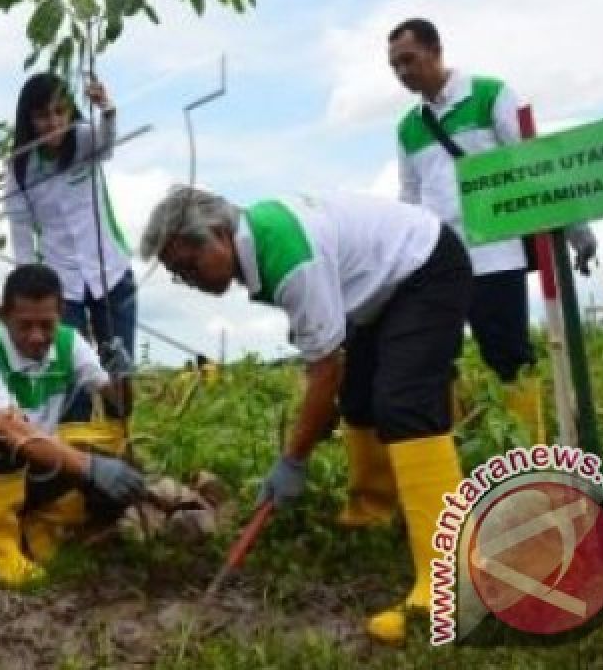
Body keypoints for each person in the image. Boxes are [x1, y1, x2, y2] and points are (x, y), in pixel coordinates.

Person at [141, 185, 472, 644]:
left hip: (425, 267)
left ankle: (447, 584)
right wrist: (310, 427)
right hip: (379, 293)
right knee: (359, 399)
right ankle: (370, 514)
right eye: (178, 275)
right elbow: (330, 371)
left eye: (188, 266)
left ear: (217, 234)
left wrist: (293, 459)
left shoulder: (287, 257)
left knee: (405, 403)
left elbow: (325, 369)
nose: (188, 281)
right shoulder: (262, 243)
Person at [388, 17, 597, 444]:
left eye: (409, 60)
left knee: (509, 358)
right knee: (435, 360)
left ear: (435, 50)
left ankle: (532, 455)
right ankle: (458, 451)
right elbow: (409, 199)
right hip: (437, 262)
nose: (403, 73)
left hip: (494, 253)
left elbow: (532, 163)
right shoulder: (408, 128)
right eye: (395, 66)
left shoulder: (489, 95)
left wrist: (576, 228)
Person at [0, 263, 142, 586]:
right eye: (25, 326)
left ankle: (48, 527)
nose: (37, 337)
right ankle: (1, 552)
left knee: (124, 469)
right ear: (2, 315)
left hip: (36, 470)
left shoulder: (70, 343)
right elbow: (16, 433)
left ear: (61, 314)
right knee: (3, 440)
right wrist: (89, 467)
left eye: (47, 325)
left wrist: (121, 379)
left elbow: (120, 408)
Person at [4, 72, 134, 455]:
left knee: (119, 374)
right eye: (42, 116)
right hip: (63, 290)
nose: (53, 123)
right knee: (72, 378)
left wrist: (105, 106)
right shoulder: (20, 168)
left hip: (112, 274)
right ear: (28, 120)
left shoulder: (84, 140)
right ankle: (76, 469)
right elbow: (22, 236)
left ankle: (119, 460)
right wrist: (28, 295)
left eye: (60, 112)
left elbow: (109, 139)